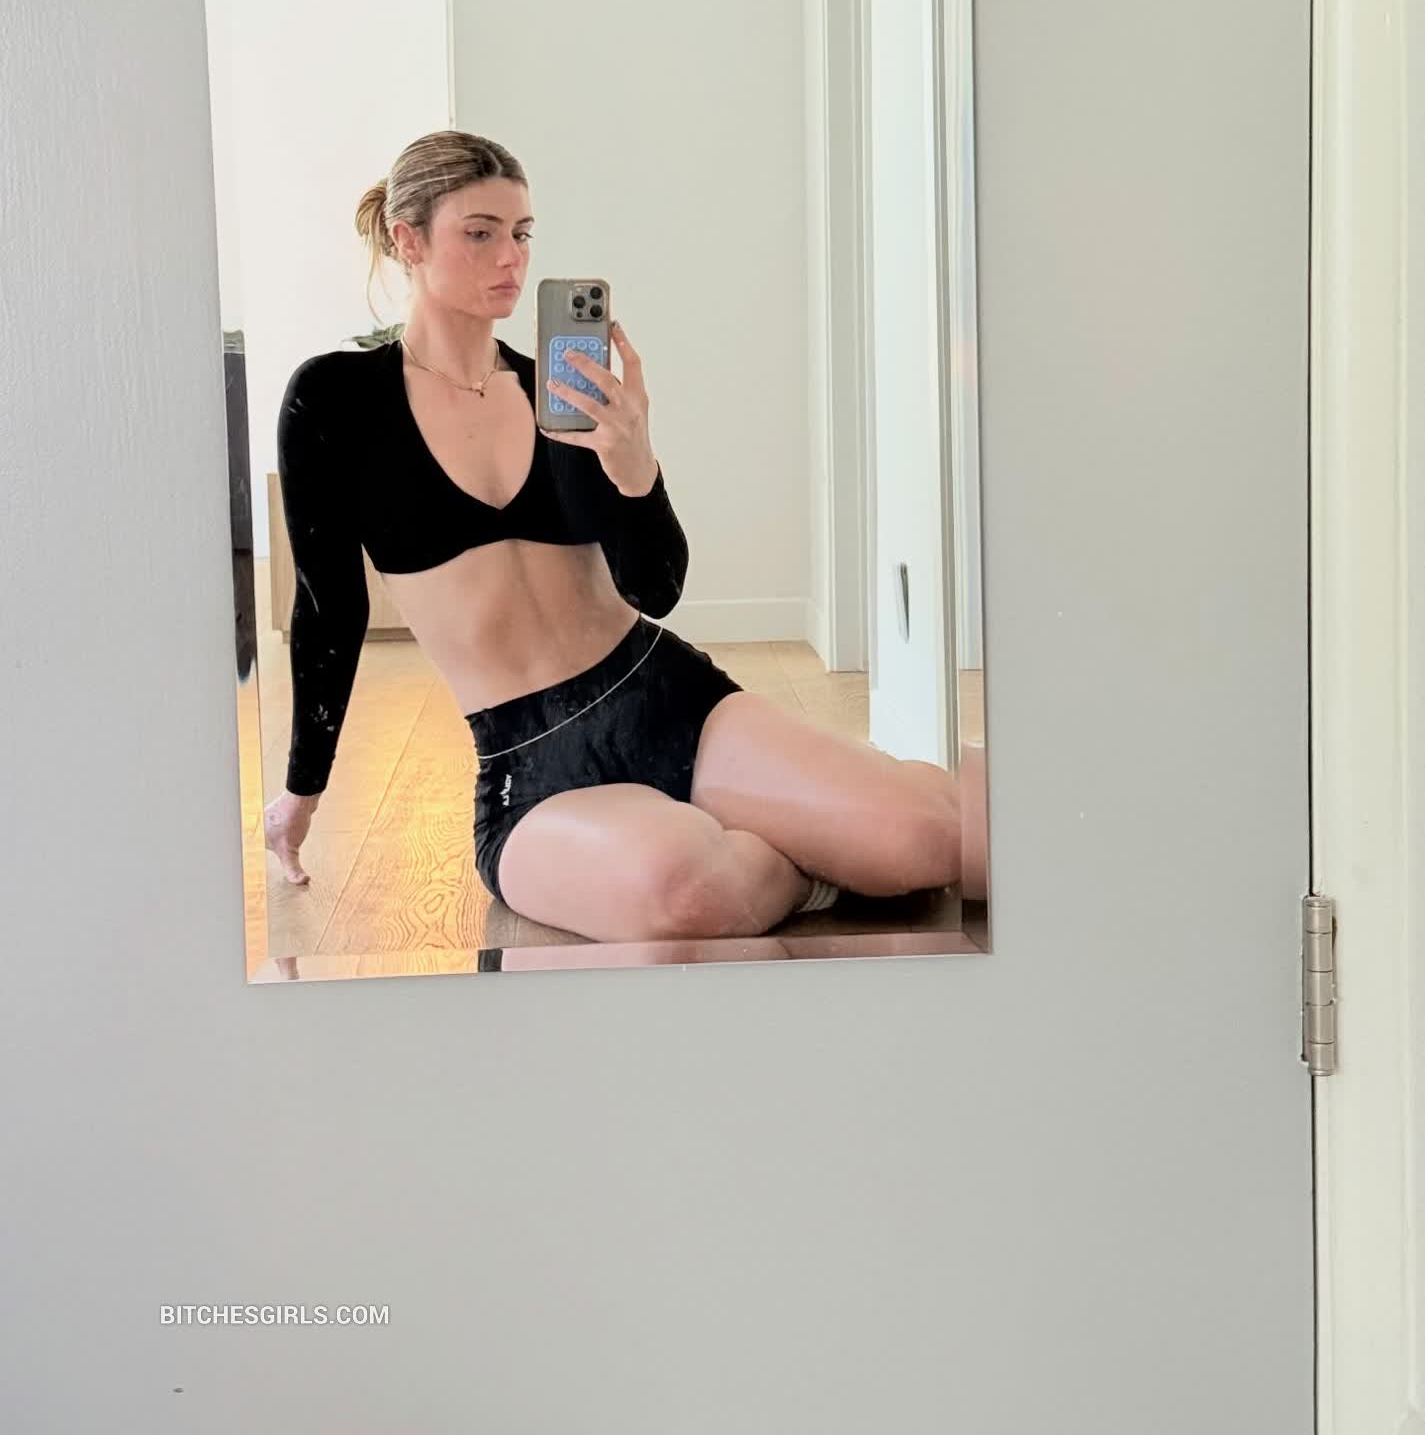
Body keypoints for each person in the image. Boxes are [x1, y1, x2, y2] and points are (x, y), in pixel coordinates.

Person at [263, 130, 978, 944]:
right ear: (408, 239)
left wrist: (635, 466)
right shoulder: (336, 401)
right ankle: (800, 847)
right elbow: (328, 609)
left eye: (522, 233)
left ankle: (838, 818)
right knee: (685, 892)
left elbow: (655, 589)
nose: (510, 258)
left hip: (666, 695)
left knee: (929, 836)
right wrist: (302, 790)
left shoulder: (562, 389)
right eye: (480, 233)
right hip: (529, 761)